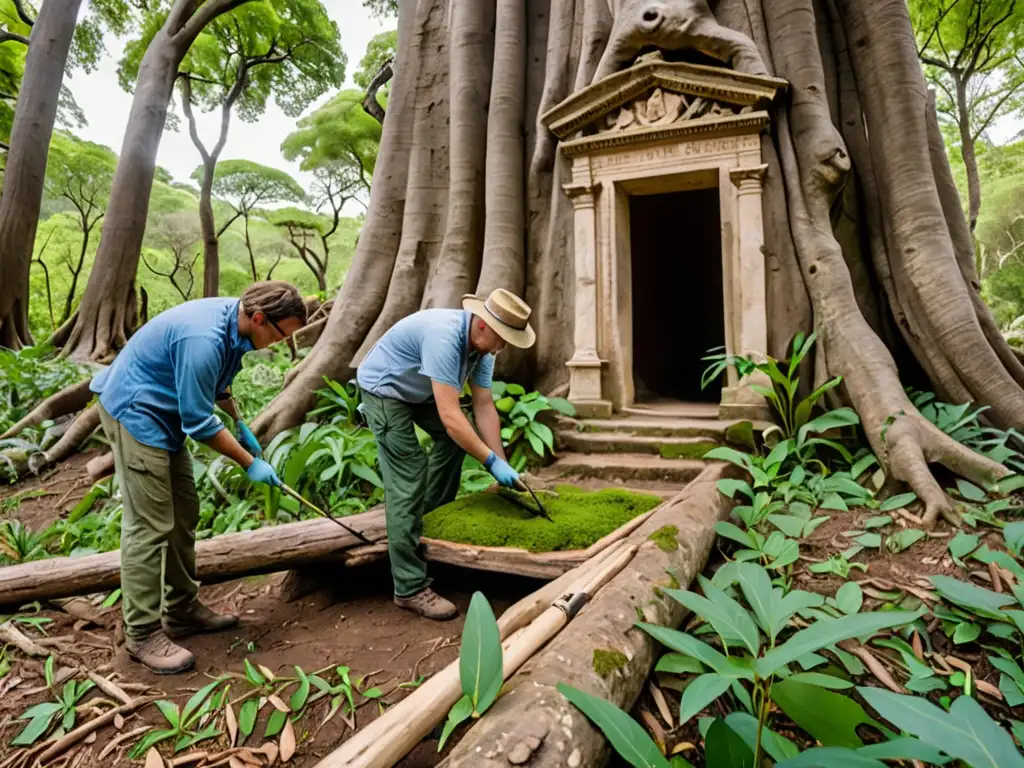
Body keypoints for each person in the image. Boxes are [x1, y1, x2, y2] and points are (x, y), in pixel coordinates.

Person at [90, 281, 307, 674]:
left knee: (184, 512)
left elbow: (218, 386)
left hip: (165, 413)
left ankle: (183, 609)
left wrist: (241, 424)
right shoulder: (203, 338)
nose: (279, 344)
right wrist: (248, 462)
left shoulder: (234, 323)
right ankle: (140, 633)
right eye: (279, 335)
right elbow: (199, 422)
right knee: (150, 523)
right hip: (136, 411)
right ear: (259, 318)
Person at [357, 288, 537, 620]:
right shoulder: (444, 337)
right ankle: (409, 587)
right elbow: (450, 416)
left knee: (456, 442)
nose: (504, 346)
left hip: (419, 388)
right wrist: (489, 462)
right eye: (503, 337)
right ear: (483, 324)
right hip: (384, 390)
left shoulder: (484, 350)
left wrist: (502, 464)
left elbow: (483, 406)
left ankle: (427, 523)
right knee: (409, 474)